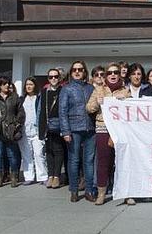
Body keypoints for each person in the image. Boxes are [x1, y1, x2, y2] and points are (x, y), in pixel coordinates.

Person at [86, 63, 132, 205]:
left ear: (119, 74)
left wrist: (126, 103)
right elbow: (89, 108)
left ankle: (127, 193)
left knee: (123, 162)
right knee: (103, 162)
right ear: (106, 75)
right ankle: (101, 193)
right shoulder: (99, 89)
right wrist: (98, 103)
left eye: (116, 72)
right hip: (103, 128)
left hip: (120, 130)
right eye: (110, 72)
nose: (113, 75)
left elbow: (133, 111)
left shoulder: (125, 91)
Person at [59, 60, 96, 202]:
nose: (77, 72)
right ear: (71, 72)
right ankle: (74, 190)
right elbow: (62, 111)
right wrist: (65, 131)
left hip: (90, 129)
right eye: (74, 69)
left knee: (89, 161)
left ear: (84, 72)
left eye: (80, 69)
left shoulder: (90, 88)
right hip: (74, 129)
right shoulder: (66, 89)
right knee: (74, 160)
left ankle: (88, 191)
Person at [0, 76, 24, 188]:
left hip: (11, 130)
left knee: (12, 155)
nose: (7, 85)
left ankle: (14, 178)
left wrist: (16, 125)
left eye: (8, 83)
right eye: (4, 84)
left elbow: (21, 113)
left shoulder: (14, 97)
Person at [18, 77, 47, 185]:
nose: (29, 86)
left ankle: (43, 177)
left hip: (37, 131)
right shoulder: (21, 99)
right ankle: (29, 176)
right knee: (26, 155)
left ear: (35, 85)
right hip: (24, 131)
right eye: (27, 85)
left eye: (31, 84)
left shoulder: (39, 98)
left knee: (39, 154)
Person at [43, 68, 64, 189]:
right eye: (51, 77)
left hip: (60, 124)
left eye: (55, 76)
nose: (53, 79)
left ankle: (57, 176)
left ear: (59, 78)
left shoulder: (63, 90)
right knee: (49, 151)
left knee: (58, 150)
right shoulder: (45, 91)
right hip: (47, 124)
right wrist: (41, 128)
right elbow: (41, 111)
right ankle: (50, 175)